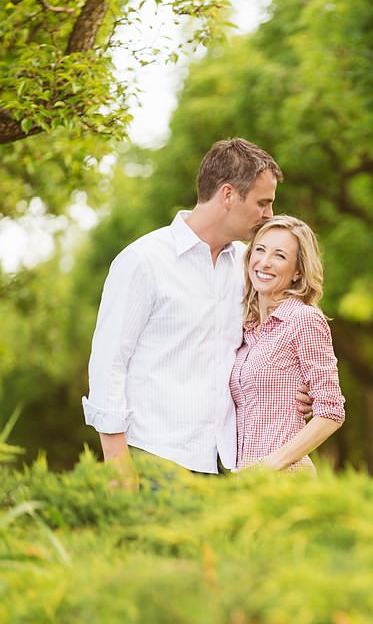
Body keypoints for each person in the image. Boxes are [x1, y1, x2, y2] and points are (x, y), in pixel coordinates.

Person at [82, 138, 310, 488]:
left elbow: (263, 348)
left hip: (228, 461)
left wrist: (294, 393)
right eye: (263, 203)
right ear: (228, 195)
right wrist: (118, 464)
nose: (269, 215)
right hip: (155, 458)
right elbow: (108, 363)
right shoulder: (144, 261)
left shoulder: (249, 268)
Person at [231, 215, 345, 472]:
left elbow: (331, 411)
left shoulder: (304, 320)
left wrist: (271, 465)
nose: (265, 262)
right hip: (245, 480)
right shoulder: (247, 330)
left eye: (279, 256)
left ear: (298, 272)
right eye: (260, 250)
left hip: (284, 476)